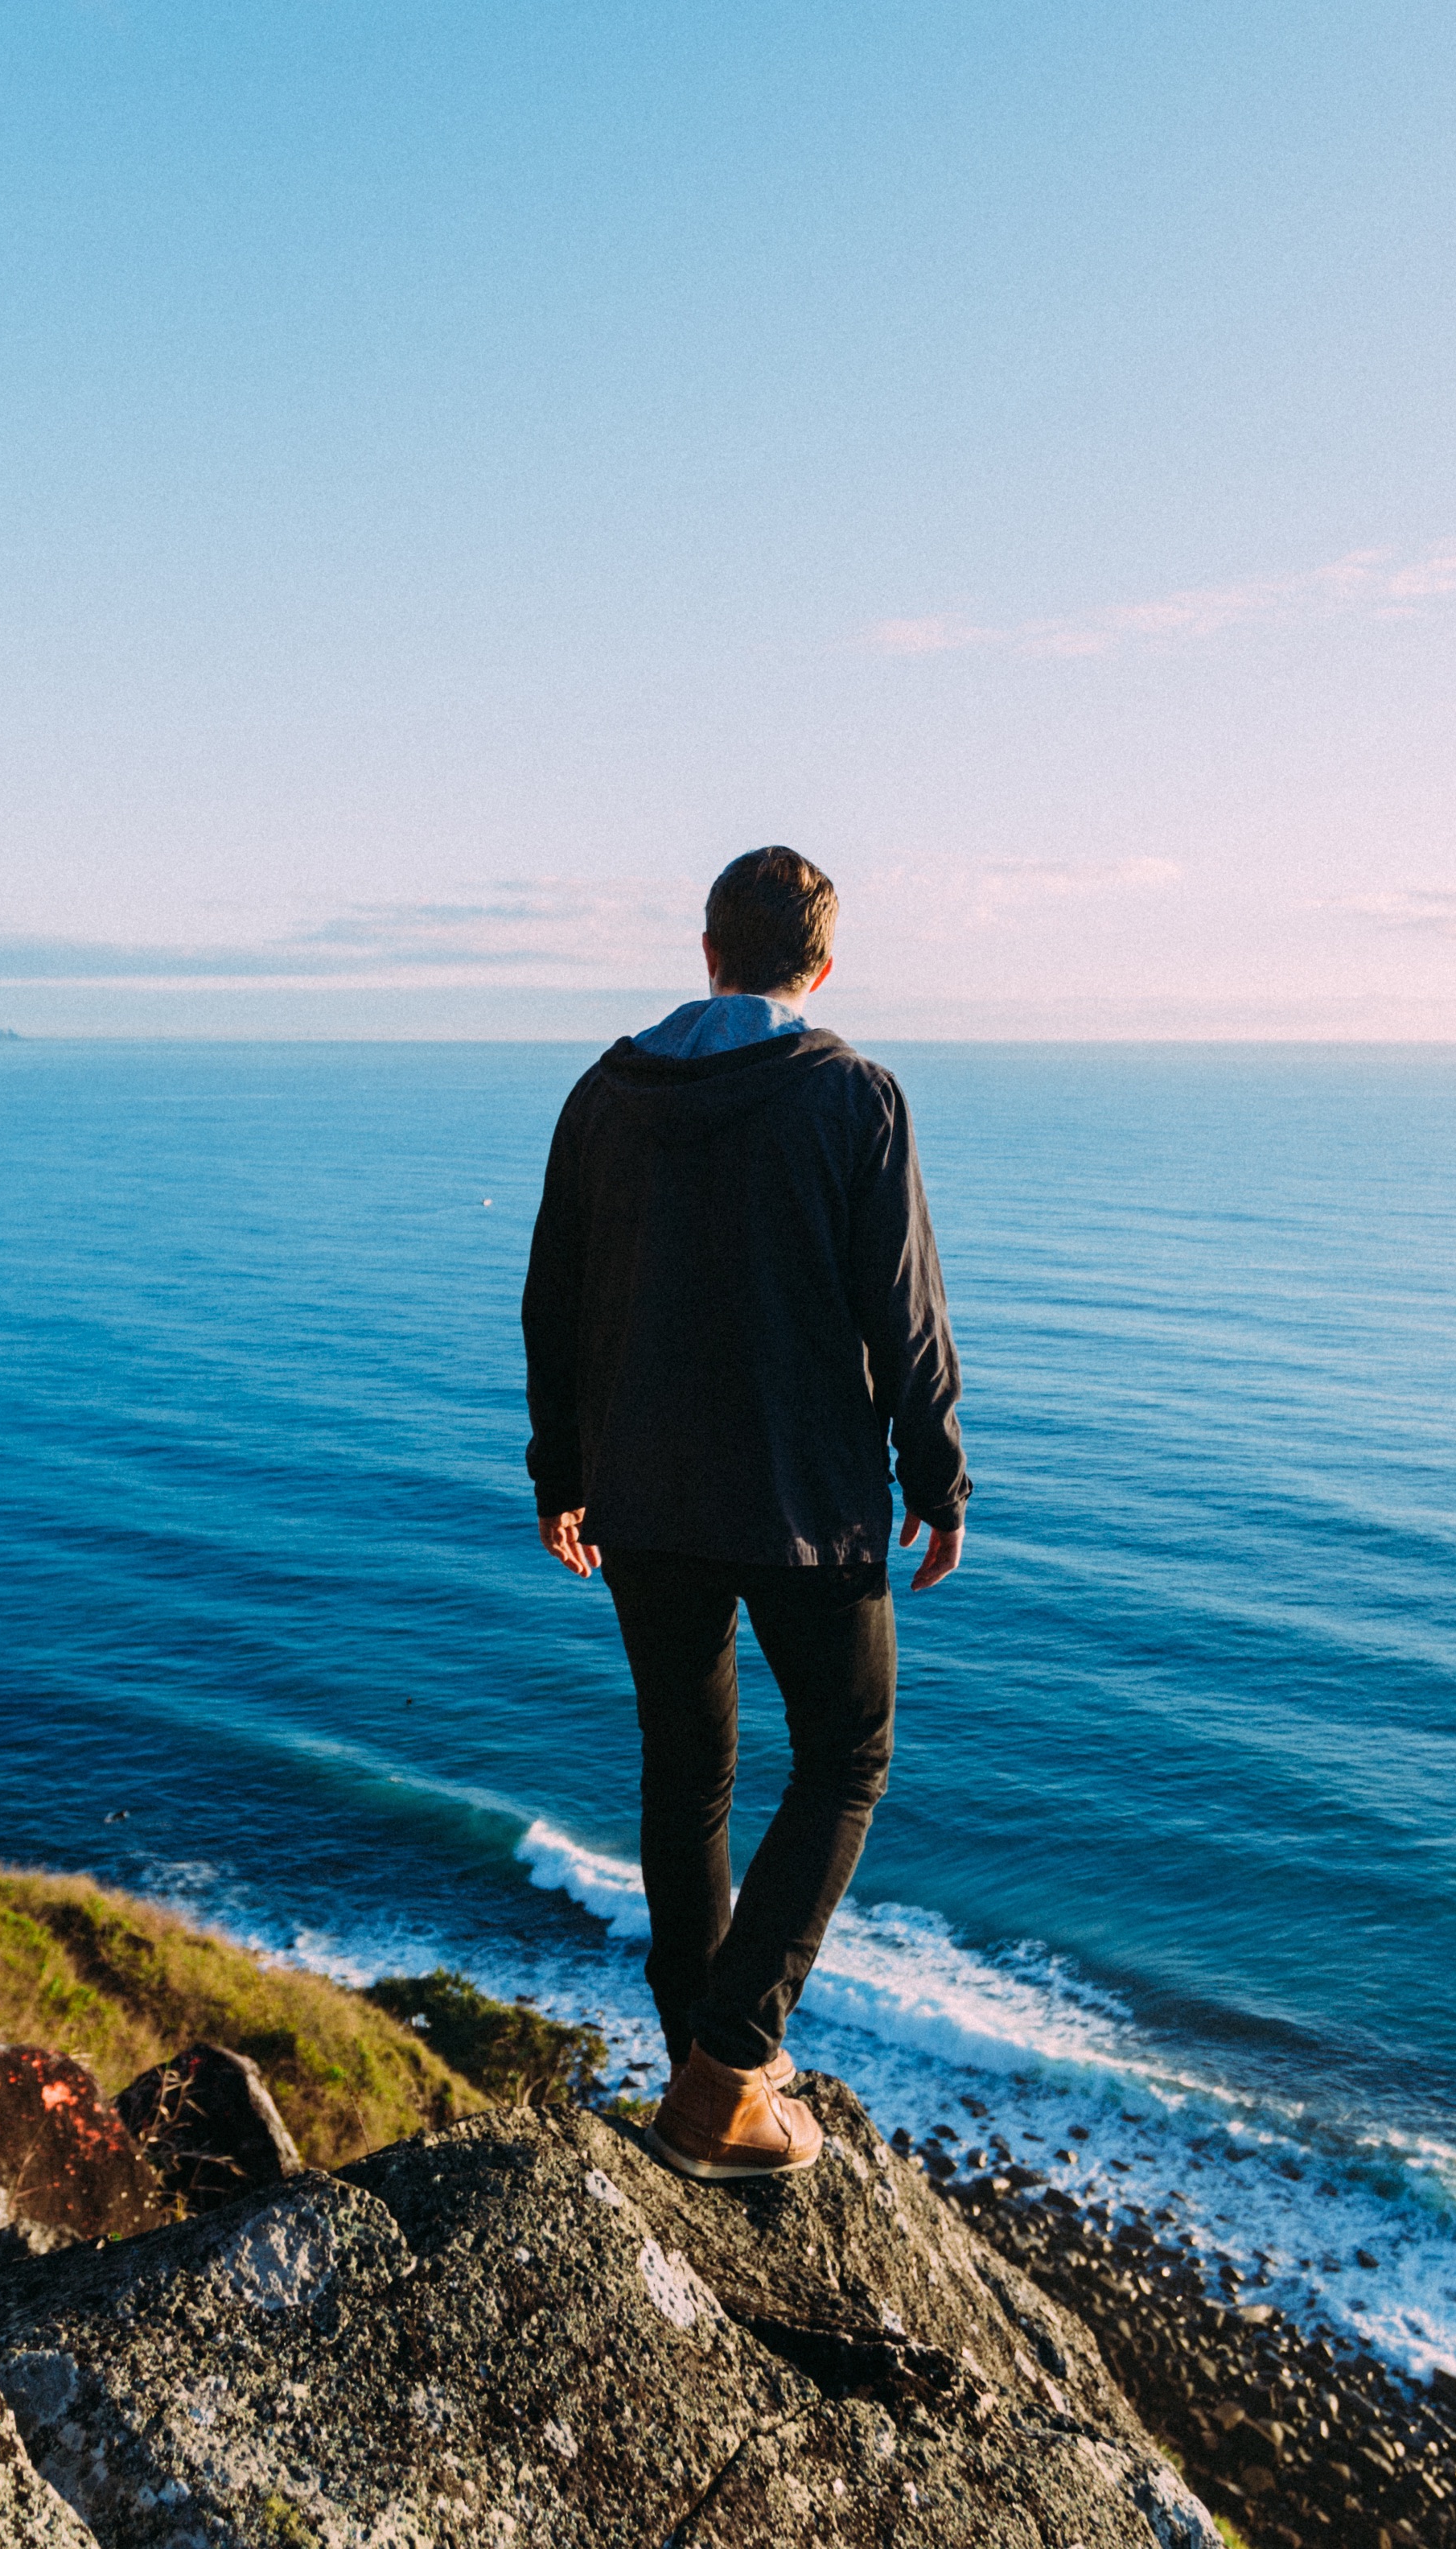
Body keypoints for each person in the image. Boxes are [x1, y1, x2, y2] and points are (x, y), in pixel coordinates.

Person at [521, 844, 969, 2182]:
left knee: (687, 1770)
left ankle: (702, 2057)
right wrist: (937, 1482)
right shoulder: (851, 1096)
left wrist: (562, 1476)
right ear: (820, 968)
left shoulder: (604, 1097)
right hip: (803, 1501)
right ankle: (727, 2062)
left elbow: (552, 1302)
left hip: (644, 1500)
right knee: (846, 1757)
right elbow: (906, 1314)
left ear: (707, 953)